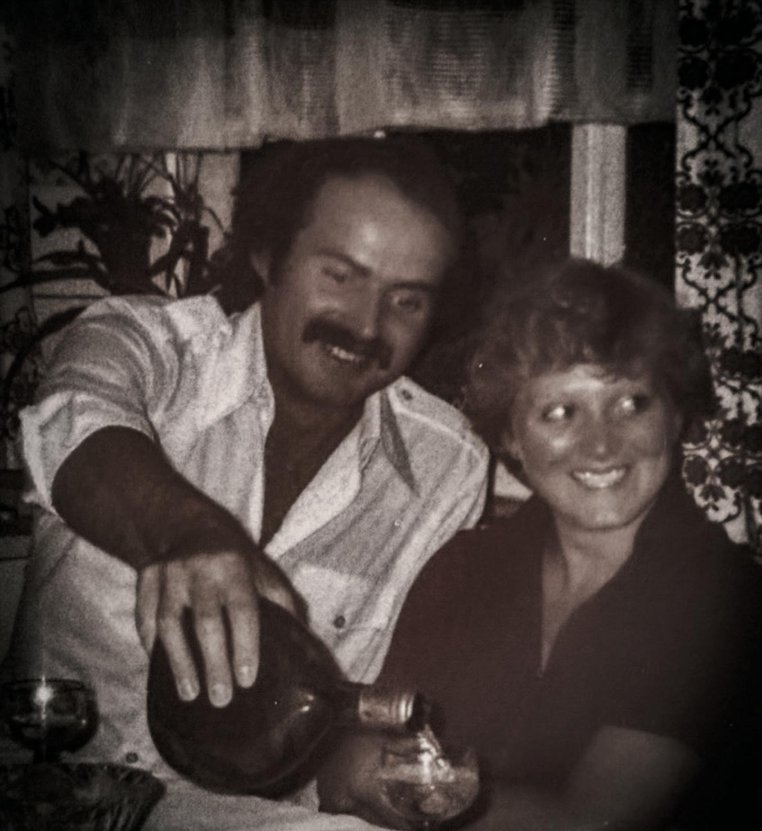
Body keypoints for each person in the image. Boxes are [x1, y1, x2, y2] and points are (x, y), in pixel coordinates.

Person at [8, 136, 489, 776]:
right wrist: (184, 532)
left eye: (408, 300)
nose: (368, 325)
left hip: (255, 825)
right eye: (340, 276)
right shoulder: (142, 344)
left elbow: (368, 709)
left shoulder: (448, 467)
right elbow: (73, 425)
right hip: (51, 796)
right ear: (267, 255)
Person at [318, 259, 762, 831]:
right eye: (559, 412)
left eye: (631, 403)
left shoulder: (716, 594)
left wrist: (394, 793)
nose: (601, 444)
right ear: (511, 438)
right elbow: (343, 772)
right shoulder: (464, 567)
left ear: (675, 416)